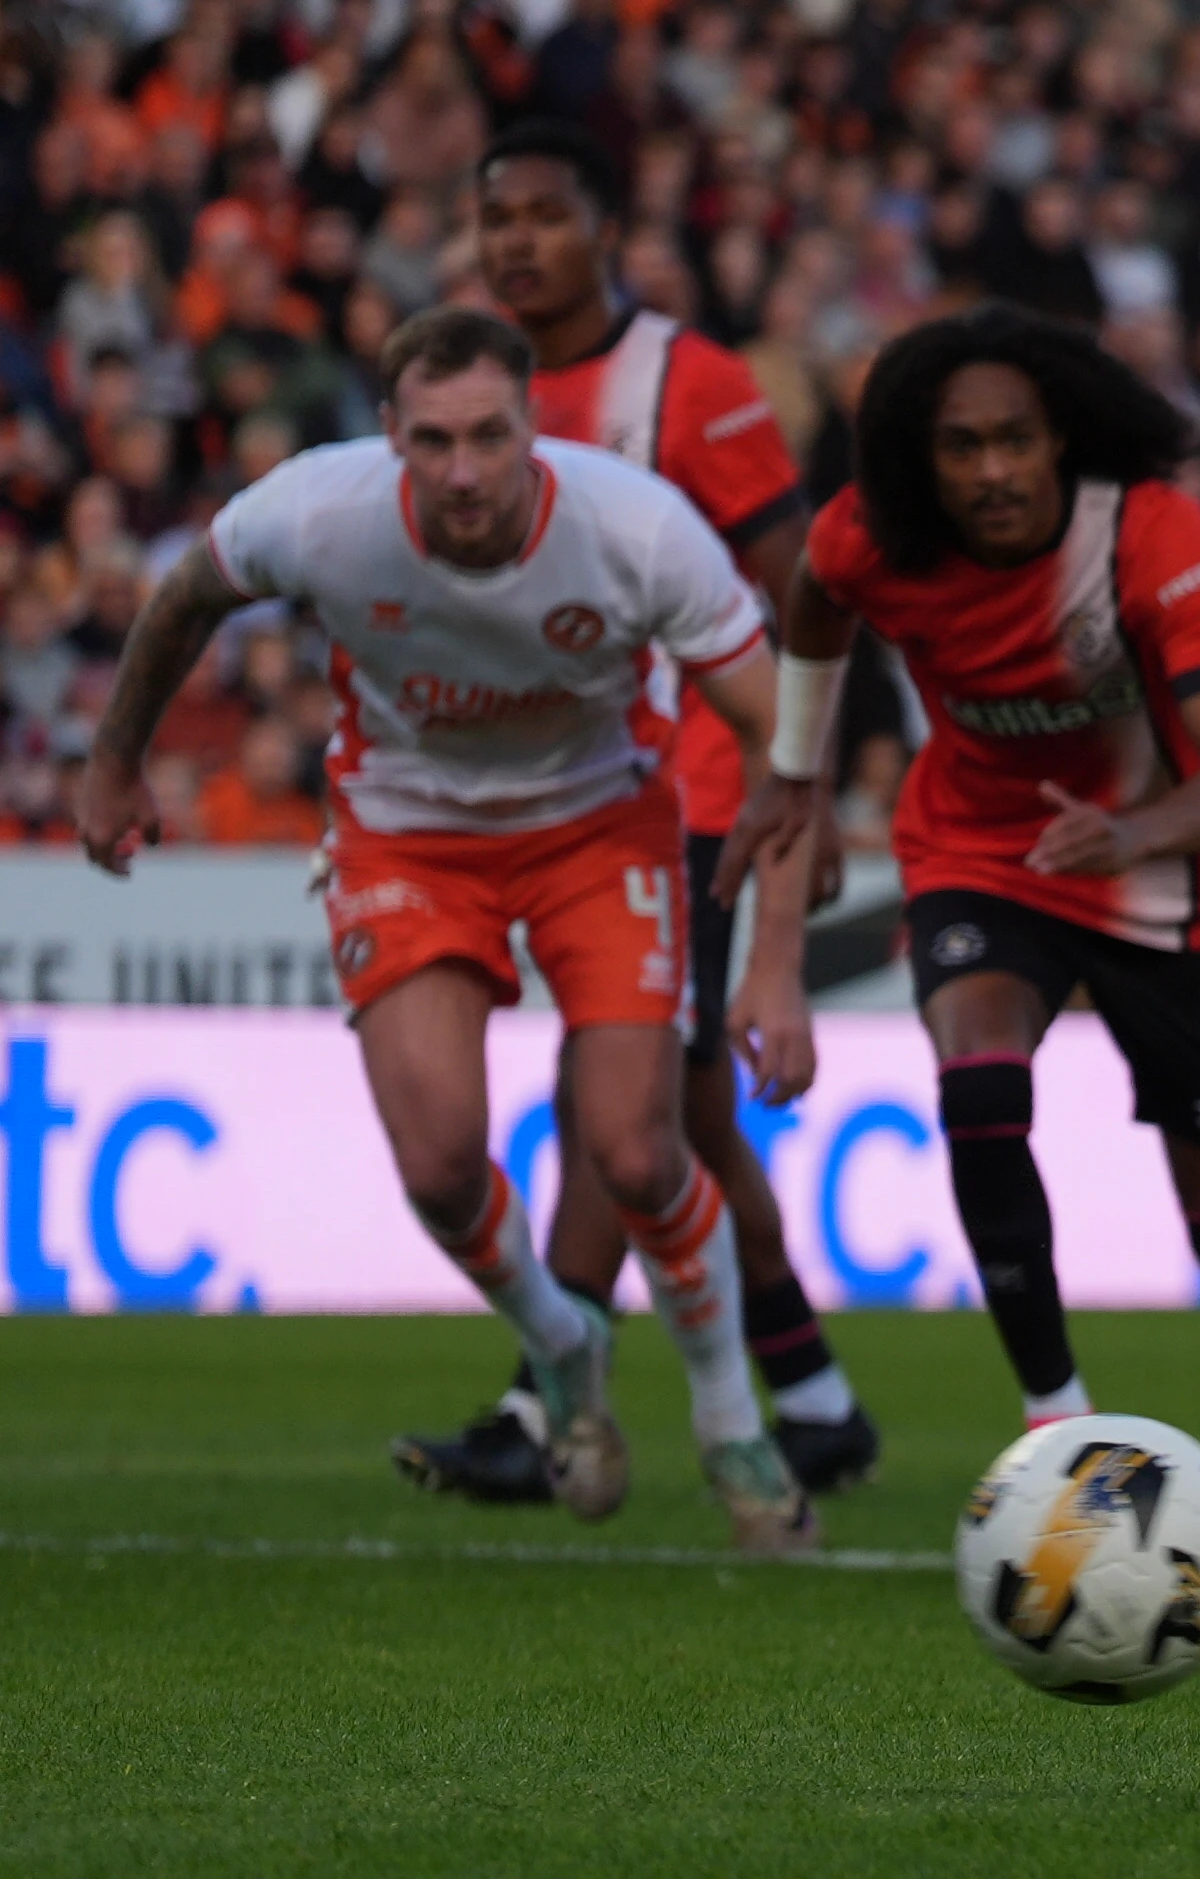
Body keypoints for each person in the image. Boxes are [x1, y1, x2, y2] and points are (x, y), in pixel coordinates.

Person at [81, 306, 824, 1551]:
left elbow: (778, 742)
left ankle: (728, 1419)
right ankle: (560, 1344)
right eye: (433, 441)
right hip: (408, 833)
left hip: (600, 829)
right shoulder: (320, 511)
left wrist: (780, 966)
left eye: (490, 435)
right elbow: (182, 600)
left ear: (536, 425)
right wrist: (115, 759)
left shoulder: (636, 529)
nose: (465, 471)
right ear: (389, 436)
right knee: (435, 1167)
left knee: (639, 1152)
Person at [716, 306, 1200, 1582]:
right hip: (982, 854)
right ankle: (1056, 1424)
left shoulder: (1147, 531)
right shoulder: (877, 534)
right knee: (979, 1086)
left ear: (1060, 436)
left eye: (1015, 440)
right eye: (961, 447)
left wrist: (1126, 836)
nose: (993, 471)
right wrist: (795, 763)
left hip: (1161, 872)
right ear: (923, 458)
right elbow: (812, 594)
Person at [389, 121, 878, 1507]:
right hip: (547, 786)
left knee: (618, 1093)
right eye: (498, 219)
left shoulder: (691, 382)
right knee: (693, 1117)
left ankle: (541, 1410)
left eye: (545, 214)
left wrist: (806, 789)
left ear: (606, 230)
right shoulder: (473, 388)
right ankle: (819, 1400)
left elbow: (804, 598)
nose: (517, 242)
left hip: (696, 795)